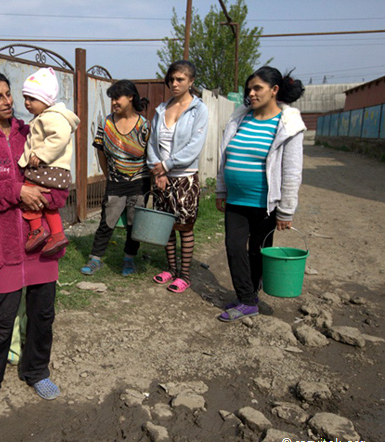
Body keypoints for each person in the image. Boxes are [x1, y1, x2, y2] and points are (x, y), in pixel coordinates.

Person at [0, 71, 68, 414]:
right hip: (4, 241)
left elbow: (59, 175)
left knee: (43, 313)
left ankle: (36, 371)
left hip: (42, 242)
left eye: (9, 94)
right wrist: (17, 191)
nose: (8, 102)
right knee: (2, 317)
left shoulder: (33, 130)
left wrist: (48, 199)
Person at [215, 66, 306, 322]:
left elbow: (291, 171)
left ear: (274, 90)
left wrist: (286, 210)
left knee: (257, 251)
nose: (251, 93)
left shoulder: (288, 125)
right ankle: (246, 298)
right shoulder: (240, 118)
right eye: (249, 89)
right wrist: (221, 189)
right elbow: (225, 156)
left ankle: (249, 298)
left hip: (265, 205)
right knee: (234, 248)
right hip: (235, 200)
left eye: (258, 88)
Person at [146, 60, 209, 293]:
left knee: (184, 227)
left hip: (184, 178)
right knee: (166, 226)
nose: (174, 83)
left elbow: (194, 147)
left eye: (180, 79)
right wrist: (157, 170)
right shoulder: (161, 109)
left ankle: (185, 275)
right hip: (162, 177)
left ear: (191, 82)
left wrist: (166, 166)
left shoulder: (199, 110)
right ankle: (171, 269)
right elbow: (152, 143)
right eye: (171, 79)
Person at [80, 80, 150, 277]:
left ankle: (129, 259)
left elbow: (150, 155)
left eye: (117, 98)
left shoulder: (144, 126)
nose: (114, 103)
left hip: (139, 182)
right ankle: (95, 259)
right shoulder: (106, 123)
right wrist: (108, 175)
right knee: (107, 221)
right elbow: (100, 151)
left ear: (131, 97)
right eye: (112, 99)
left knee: (133, 223)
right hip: (115, 182)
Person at [18, 67, 80, 256]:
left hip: (49, 168)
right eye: (25, 98)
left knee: (30, 195)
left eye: (32, 99)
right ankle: (57, 234)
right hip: (55, 171)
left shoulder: (52, 117)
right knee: (49, 205)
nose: (27, 103)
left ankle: (37, 230)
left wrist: (41, 154)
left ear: (46, 100)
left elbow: (58, 138)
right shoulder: (44, 116)